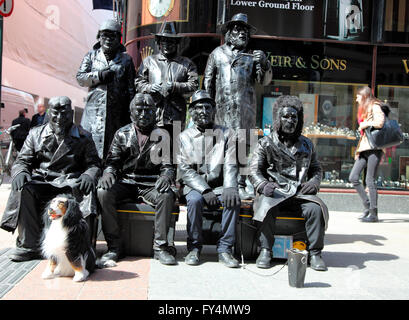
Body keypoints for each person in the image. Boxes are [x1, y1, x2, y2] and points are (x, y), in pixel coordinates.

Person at [1, 96, 101, 262]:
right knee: (23, 188)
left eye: (65, 112)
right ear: (48, 113)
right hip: (44, 182)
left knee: (87, 190)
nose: (60, 117)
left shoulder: (84, 136)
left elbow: (94, 164)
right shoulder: (35, 134)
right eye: (55, 112)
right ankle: (30, 245)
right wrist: (20, 172)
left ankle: (82, 247)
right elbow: (22, 160)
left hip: (70, 183)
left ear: (72, 113)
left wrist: (88, 174)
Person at [248, 95, 329, 271]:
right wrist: (263, 185)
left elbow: (316, 169)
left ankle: (315, 253)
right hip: (275, 191)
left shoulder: (307, 144)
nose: (290, 120)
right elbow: (253, 170)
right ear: (278, 118)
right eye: (285, 116)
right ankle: (265, 250)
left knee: (316, 209)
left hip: (299, 193)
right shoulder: (265, 143)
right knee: (265, 206)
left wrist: (314, 182)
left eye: (294, 117)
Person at [97, 93, 177, 266]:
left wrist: (165, 176)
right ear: (131, 112)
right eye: (139, 110)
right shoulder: (122, 133)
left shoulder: (163, 135)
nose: (143, 114)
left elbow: (168, 165)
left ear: (155, 113)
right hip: (126, 181)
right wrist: (108, 173)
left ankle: (160, 247)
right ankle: (114, 247)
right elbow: (112, 161)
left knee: (166, 195)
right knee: (103, 192)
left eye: (148, 110)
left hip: (151, 183)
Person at [203, 13, 272, 200]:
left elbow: (263, 81)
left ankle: (240, 185)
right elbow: (207, 83)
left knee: (242, 149)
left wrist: (264, 64)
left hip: (245, 111)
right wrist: (206, 110)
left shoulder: (252, 56)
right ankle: (221, 184)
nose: (243, 34)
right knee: (221, 149)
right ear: (229, 33)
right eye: (238, 30)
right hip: (222, 111)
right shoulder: (216, 54)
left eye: (245, 31)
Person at [177, 90, 241, 268]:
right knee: (195, 201)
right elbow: (184, 169)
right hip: (195, 187)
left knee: (232, 200)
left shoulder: (227, 134)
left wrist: (229, 187)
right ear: (192, 112)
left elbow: (231, 163)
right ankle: (194, 248)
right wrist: (204, 190)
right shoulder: (183, 137)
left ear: (214, 111)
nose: (203, 111)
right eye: (198, 108)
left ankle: (225, 248)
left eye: (207, 107)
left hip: (220, 185)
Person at [77, 19, 136, 160]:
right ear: (99, 37)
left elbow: (131, 89)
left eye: (112, 36)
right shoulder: (91, 56)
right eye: (105, 35)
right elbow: (80, 77)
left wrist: (131, 113)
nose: (108, 39)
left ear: (119, 39)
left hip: (117, 114)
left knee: (114, 149)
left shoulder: (126, 60)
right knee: (90, 149)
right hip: (93, 113)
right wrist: (98, 75)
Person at [135, 21, 198, 138]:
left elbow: (194, 85)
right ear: (159, 43)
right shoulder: (149, 62)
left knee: (174, 150)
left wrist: (175, 86)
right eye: (164, 41)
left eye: (171, 41)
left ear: (176, 43)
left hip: (176, 116)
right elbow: (138, 83)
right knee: (153, 150)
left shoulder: (186, 63)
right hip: (152, 115)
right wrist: (150, 87)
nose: (167, 44)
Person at [349, 86, 385, 222]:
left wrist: (364, 124)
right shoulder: (364, 110)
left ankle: (374, 214)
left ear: (364, 96)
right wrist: (358, 151)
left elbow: (380, 122)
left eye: (358, 97)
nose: (356, 99)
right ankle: (367, 205)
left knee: (370, 180)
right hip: (364, 148)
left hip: (375, 148)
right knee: (353, 177)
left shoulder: (375, 106)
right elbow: (364, 136)